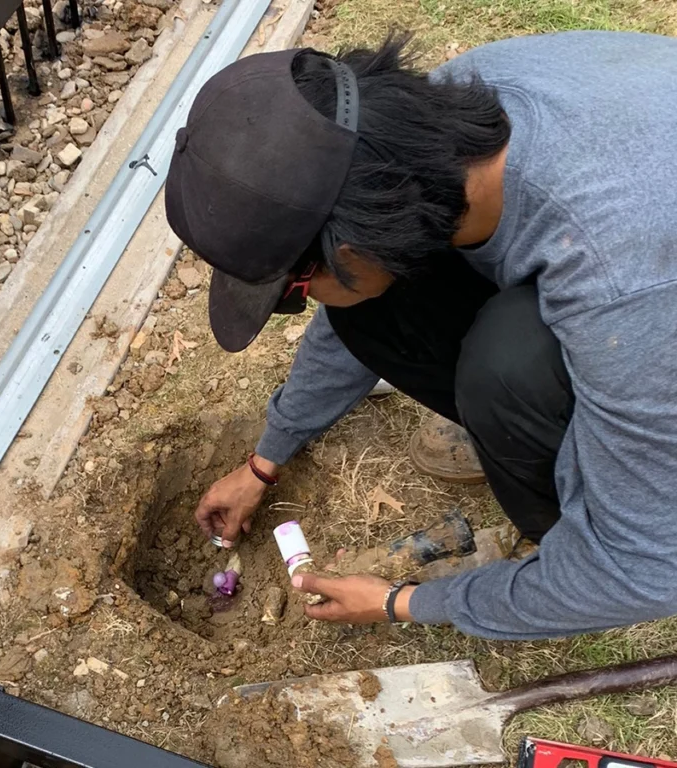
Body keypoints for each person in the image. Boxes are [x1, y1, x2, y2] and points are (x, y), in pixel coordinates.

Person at [162, 31, 677, 641]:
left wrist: (404, 602)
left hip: (649, 302)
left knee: (507, 367)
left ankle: (563, 516)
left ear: (351, 248)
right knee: (378, 305)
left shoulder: (617, 276)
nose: (303, 308)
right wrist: (264, 461)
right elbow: (350, 308)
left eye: (293, 296)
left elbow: (646, 569)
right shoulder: (449, 114)